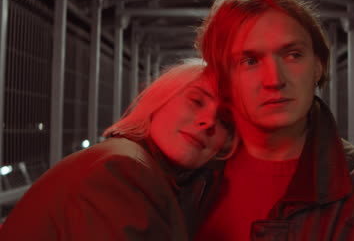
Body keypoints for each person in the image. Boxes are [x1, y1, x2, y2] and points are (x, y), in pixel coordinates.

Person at [194, 0, 354, 241]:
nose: (274, 79)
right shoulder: (190, 179)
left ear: (318, 66)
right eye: (250, 61)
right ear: (221, 79)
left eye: (293, 55)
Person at [0, 59, 236, 241]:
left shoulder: (143, 168)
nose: (209, 121)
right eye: (196, 101)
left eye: (225, 120)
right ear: (158, 102)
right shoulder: (123, 170)